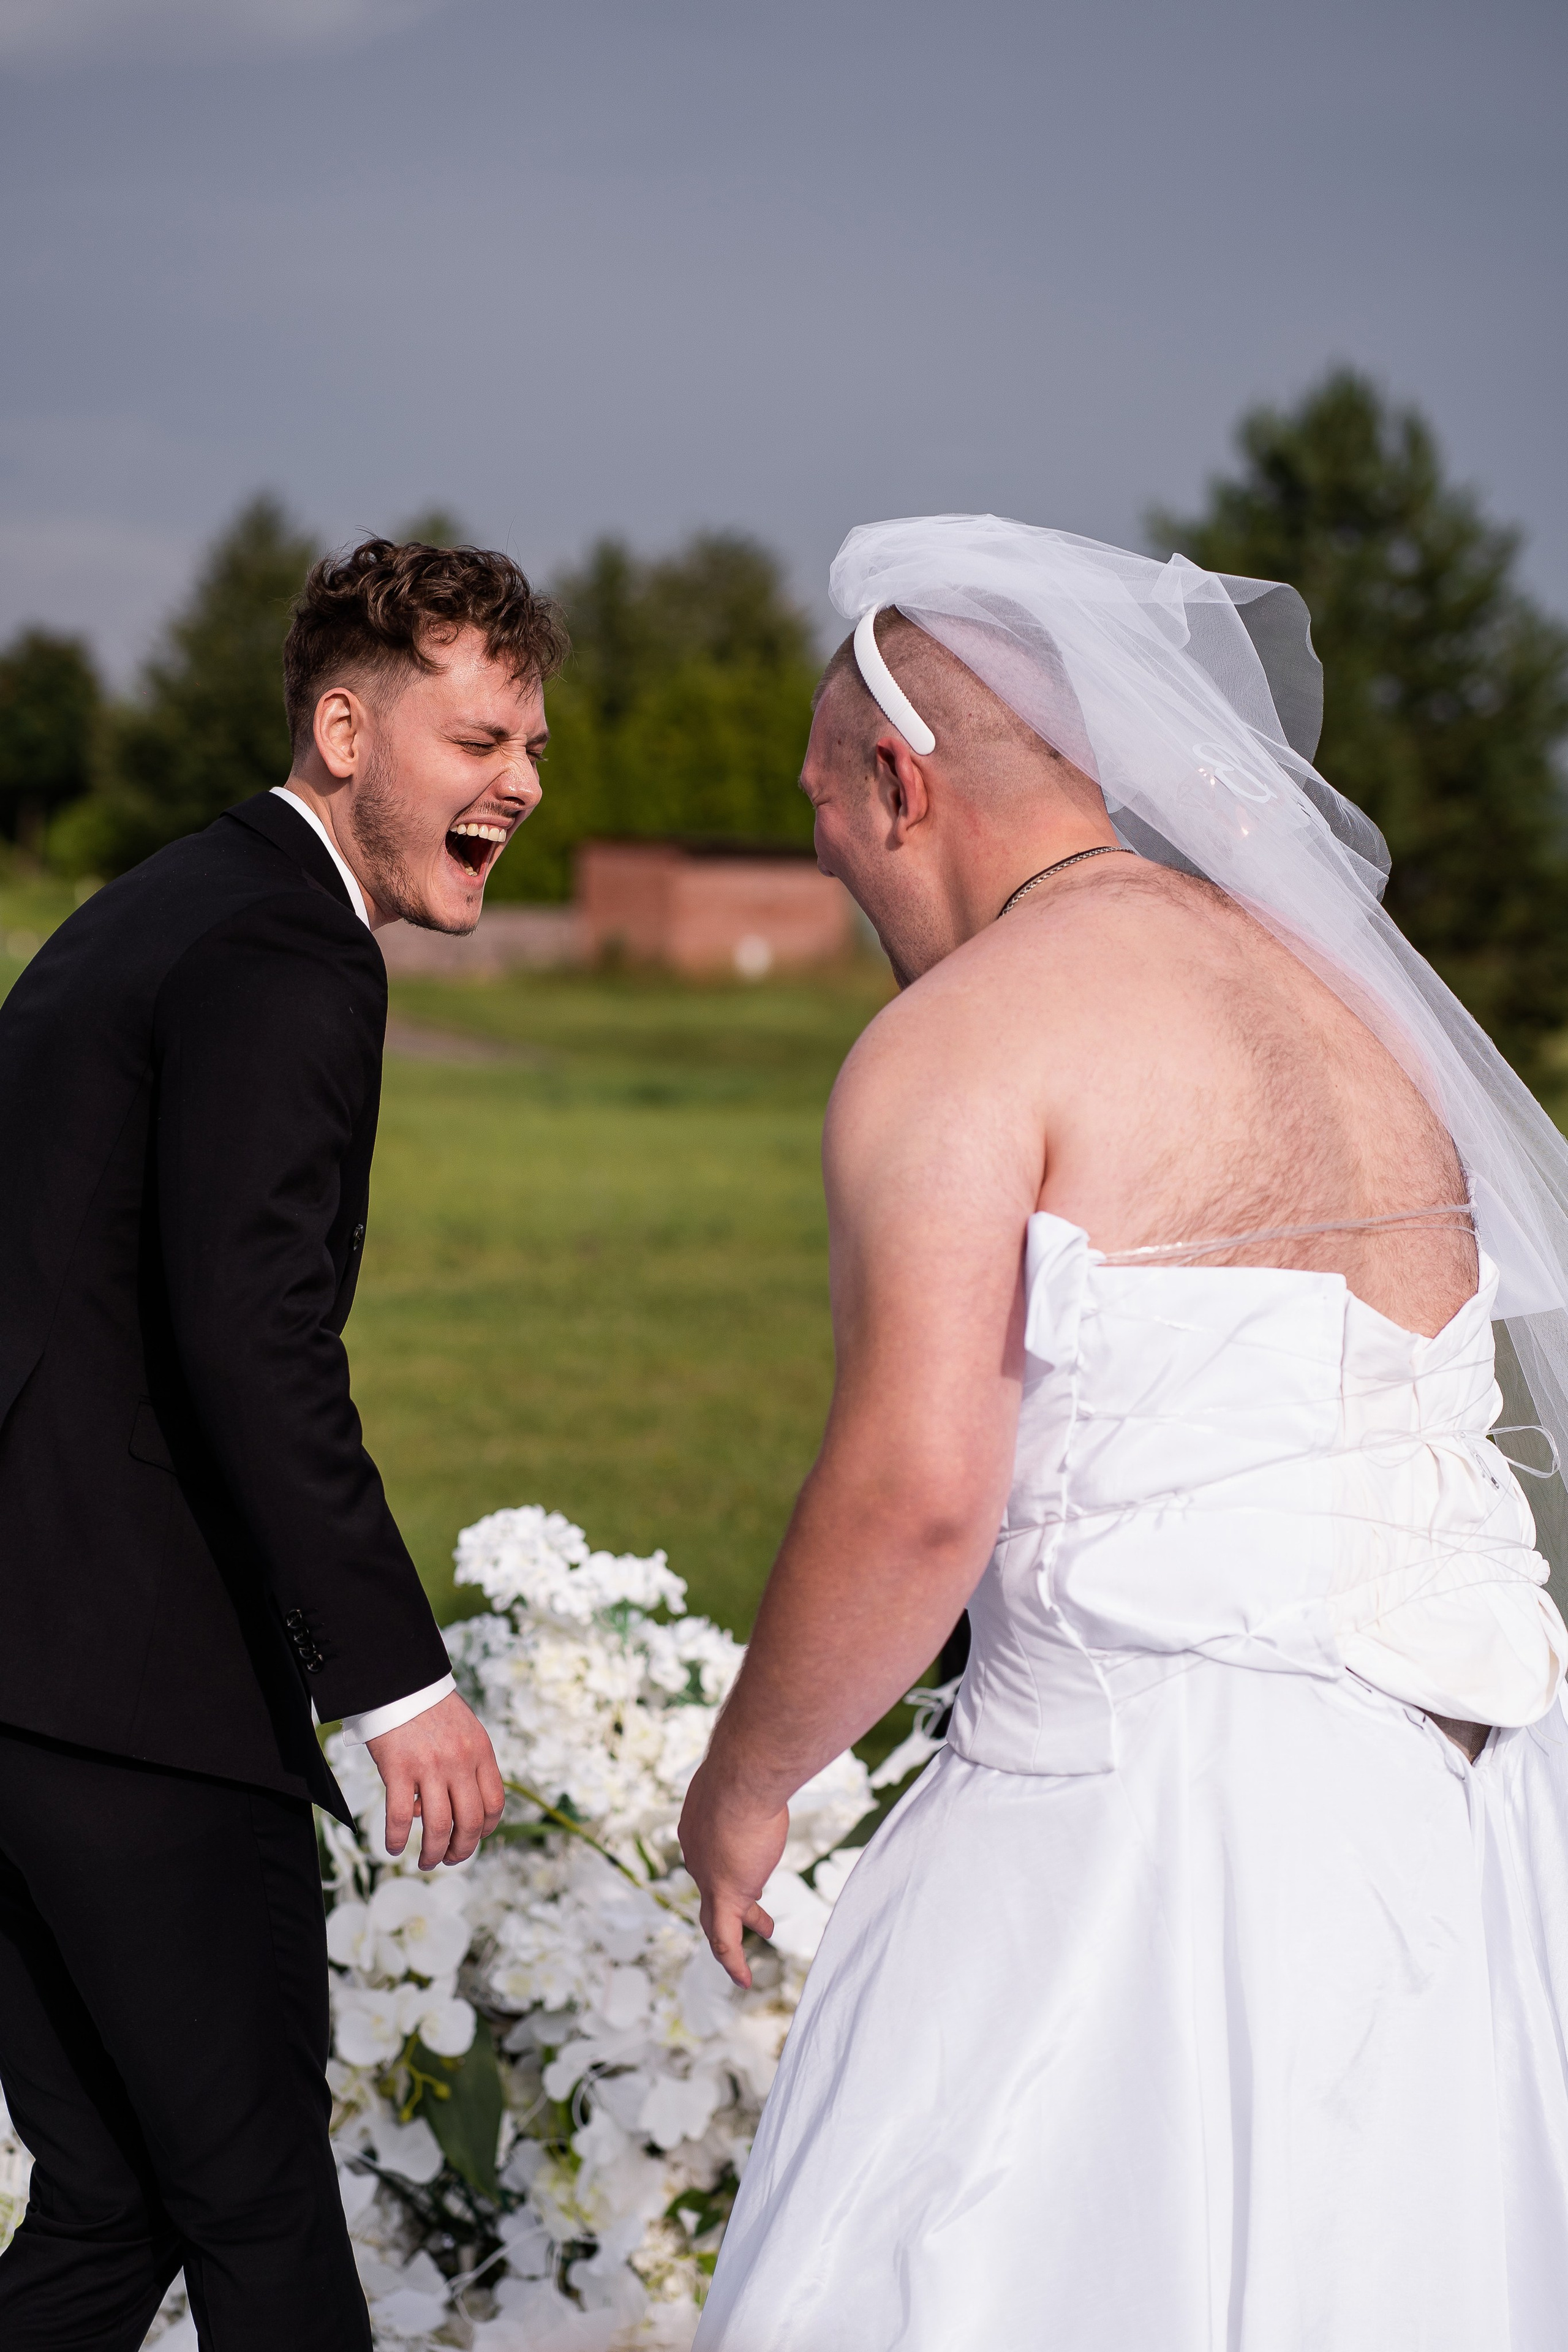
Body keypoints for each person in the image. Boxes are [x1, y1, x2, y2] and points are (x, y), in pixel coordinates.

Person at [680, 516, 1568, 2350]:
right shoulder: (1353, 1015)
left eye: (822, 805)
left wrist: (747, 1782)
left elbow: (924, 1493)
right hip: (1465, 1833)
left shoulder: (965, 1043)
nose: (830, 856)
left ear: (899, 779)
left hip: (1142, 1851)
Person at [0, 537, 566, 2349]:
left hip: (27, 1680)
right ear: (345, 727)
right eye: (481, 740)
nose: (524, 785)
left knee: (114, 2208)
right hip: (137, 1702)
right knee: (260, 2232)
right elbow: (252, 1335)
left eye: (532, 747)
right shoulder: (285, 947)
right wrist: (395, 1683)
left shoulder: (156, 902)